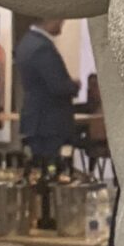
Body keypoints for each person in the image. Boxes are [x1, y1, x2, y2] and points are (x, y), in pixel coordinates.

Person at [14, 17, 79, 162]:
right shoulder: (42, 47)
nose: (62, 24)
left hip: (34, 119)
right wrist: (74, 85)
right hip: (49, 122)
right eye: (61, 20)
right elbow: (57, 86)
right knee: (53, 166)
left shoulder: (25, 43)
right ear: (51, 18)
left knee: (37, 166)